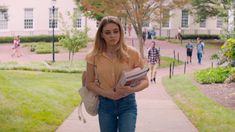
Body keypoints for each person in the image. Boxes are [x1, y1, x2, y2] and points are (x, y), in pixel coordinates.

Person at [85, 16, 149, 132]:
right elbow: (89, 83)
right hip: (105, 104)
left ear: (120, 32)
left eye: (116, 31)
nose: (112, 35)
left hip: (127, 104)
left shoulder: (133, 53)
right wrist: (107, 93)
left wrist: (130, 90)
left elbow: (145, 81)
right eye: (107, 32)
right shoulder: (93, 56)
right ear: (101, 35)